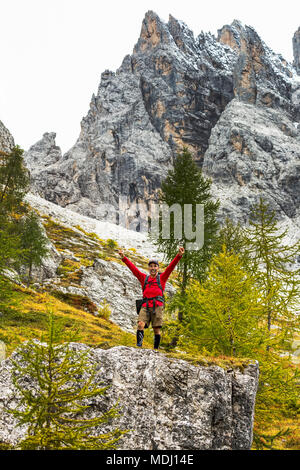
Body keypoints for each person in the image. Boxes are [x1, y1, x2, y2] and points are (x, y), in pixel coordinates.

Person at [118, 246, 184, 352]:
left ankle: (155, 349)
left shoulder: (162, 278)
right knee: (140, 324)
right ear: (148, 268)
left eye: (155, 266)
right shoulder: (143, 278)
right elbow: (133, 269)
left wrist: (179, 255)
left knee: (156, 329)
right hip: (145, 305)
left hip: (158, 305)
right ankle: (139, 346)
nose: (153, 268)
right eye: (151, 266)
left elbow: (171, 267)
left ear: (158, 268)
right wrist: (124, 258)